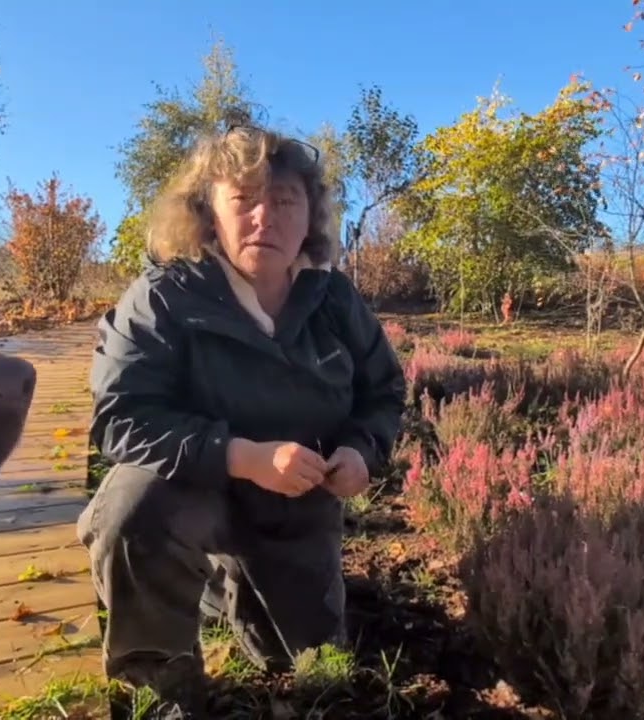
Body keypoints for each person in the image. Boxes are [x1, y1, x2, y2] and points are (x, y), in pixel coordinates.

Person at [77, 124, 407, 716]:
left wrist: (361, 451)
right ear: (209, 214)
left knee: (309, 666)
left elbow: (383, 391)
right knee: (132, 512)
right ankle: (162, 685)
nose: (266, 218)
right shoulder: (162, 297)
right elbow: (121, 417)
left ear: (310, 217)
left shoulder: (334, 300)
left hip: (294, 504)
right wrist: (244, 457)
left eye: (284, 201)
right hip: (188, 491)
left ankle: (217, 590)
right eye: (245, 200)